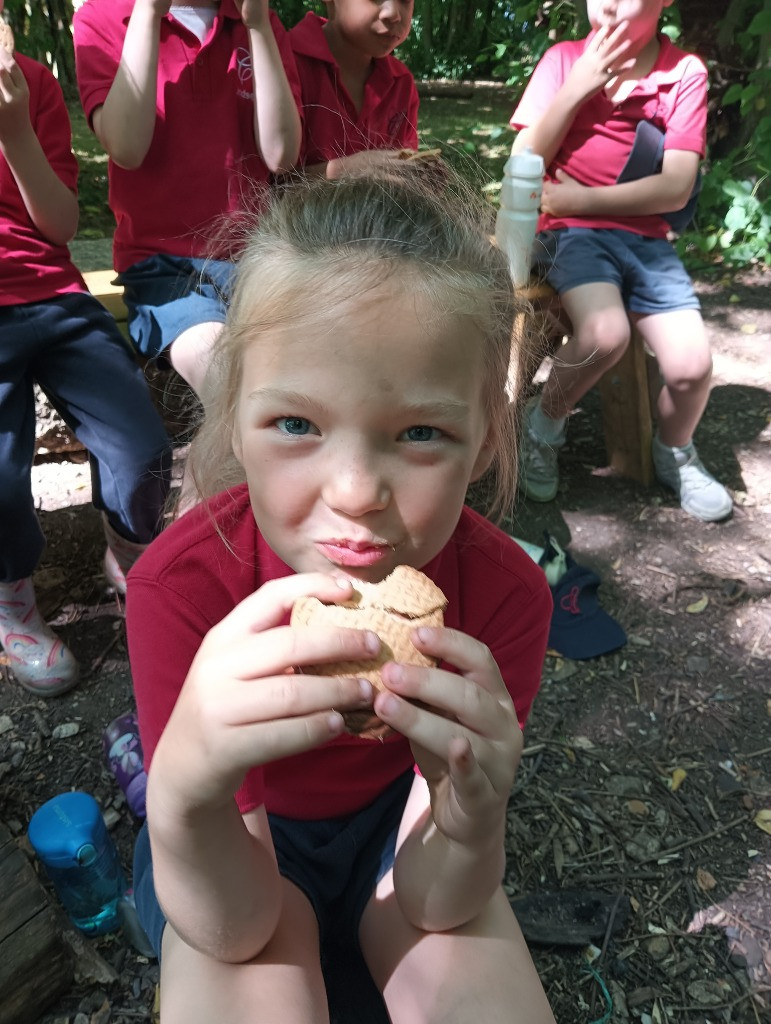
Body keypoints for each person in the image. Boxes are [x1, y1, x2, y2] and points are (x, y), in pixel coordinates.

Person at [125, 169, 556, 1023]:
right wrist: (181, 788)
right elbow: (235, 928)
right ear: (235, 418)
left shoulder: (503, 596)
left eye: (420, 433)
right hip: (223, 843)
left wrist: (473, 818)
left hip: (396, 828)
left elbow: (438, 904)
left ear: (481, 443)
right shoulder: (179, 589)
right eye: (296, 424)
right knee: (249, 984)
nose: (356, 491)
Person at [0, 8, 171, 697]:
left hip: (54, 294)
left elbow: (62, 223)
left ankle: (128, 552)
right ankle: (13, 597)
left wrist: (13, 128)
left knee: (142, 449)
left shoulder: (31, 83)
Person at [509, 0, 733, 522]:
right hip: (571, 236)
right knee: (605, 333)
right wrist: (576, 89)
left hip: (644, 241)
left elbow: (676, 187)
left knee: (692, 367)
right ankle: (542, 430)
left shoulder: (682, 73)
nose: (607, 2)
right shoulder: (564, 59)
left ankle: (674, 449)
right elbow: (524, 158)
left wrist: (578, 198)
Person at [72, 0, 302, 395]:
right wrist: (148, 11)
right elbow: (127, 147)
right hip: (165, 272)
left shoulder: (255, 18)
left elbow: (281, 155)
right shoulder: (104, 16)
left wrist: (259, 26)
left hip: (258, 261)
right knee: (230, 379)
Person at [289, 0, 420, 179]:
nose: (394, 14)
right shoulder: (284, 64)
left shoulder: (401, 83)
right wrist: (350, 170)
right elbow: (267, 186)